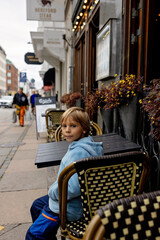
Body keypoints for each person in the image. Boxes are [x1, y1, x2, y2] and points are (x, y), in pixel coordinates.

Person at [25, 107, 103, 240]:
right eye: (64, 126)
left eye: (73, 126)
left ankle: (44, 233)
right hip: (79, 200)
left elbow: (72, 188)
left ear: (84, 128)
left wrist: (52, 191)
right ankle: (48, 234)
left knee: (33, 234)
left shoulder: (78, 153)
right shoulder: (88, 146)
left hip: (69, 206)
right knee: (37, 205)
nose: (67, 130)